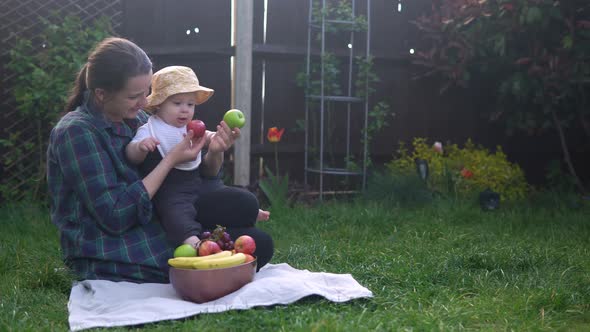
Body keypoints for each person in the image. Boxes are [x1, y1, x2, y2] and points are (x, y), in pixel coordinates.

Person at [47, 37, 274, 283]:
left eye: (147, 93)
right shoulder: (76, 132)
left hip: (163, 217)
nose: (145, 102)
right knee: (255, 248)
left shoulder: (137, 119)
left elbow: (195, 179)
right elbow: (115, 216)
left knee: (254, 232)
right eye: (135, 96)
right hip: (110, 244)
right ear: (101, 94)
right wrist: (170, 160)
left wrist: (216, 151)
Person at [125, 65, 270, 248]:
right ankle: (193, 242)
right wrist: (141, 147)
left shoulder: (191, 127)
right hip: (172, 191)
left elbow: (208, 137)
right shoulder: (150, 129)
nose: (185, 110)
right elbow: (131, 154)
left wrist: (217, 141)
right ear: (159, 104)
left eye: (190, 104)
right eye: (177, 103)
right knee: (176, 214)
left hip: (200, 185)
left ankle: (248, 211)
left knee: (244, 199)